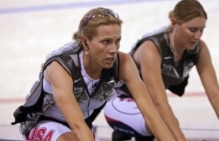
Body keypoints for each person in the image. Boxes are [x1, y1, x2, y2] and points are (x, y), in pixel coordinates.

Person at [11, 7, 175, 141]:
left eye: (117, 41)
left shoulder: (123, 63)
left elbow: (151, 114)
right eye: (106, 42)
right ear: (85, 42)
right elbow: (76, 125)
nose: (114, 49)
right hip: (45, 122)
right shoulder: (61, 68)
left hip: (83, 125)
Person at [104, 0, 219, 141]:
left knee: (165, 126)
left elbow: (215, 94)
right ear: (174, 23)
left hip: (149, 109)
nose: (198, 36)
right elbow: (159, 103)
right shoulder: (151, 49)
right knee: (166, 129)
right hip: (120, 103)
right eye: (192, 30)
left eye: (201, 30)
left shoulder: (200, 49)